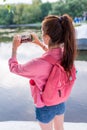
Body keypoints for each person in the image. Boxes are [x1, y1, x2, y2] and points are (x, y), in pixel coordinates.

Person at [8, 14, 77, 130]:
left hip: (44, 106)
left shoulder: (37, 64)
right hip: (60, 100)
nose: (41, 34)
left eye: (42, 32)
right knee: (60, 128)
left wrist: (14, 49)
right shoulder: (67, 54)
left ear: (47, 37)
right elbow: (53, 57)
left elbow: (14, 68)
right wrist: (40, 44)